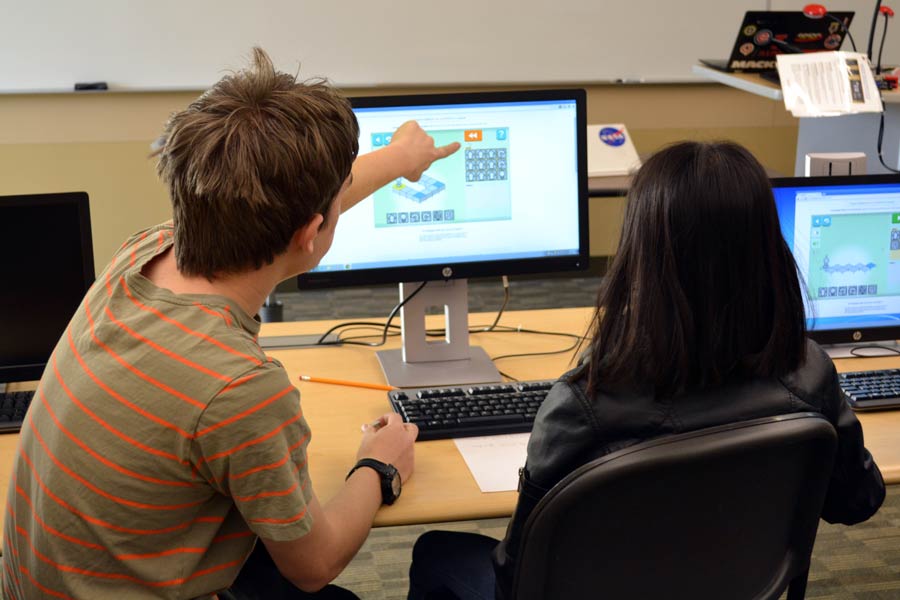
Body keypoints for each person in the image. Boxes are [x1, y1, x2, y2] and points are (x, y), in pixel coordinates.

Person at [1, 47, 459, 599]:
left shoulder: (142, 253)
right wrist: (378, 467)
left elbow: (298, 210)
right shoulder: (241, 389)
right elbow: (314, 565)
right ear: (308, 235)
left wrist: (397, 158)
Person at [407, 141, 886, 600]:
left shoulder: (585, 403)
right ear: (767, 249)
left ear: (642, 257)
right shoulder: (809, 372)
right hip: (739, 587)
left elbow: (519, 575)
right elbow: (856, 502)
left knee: (436, 553)